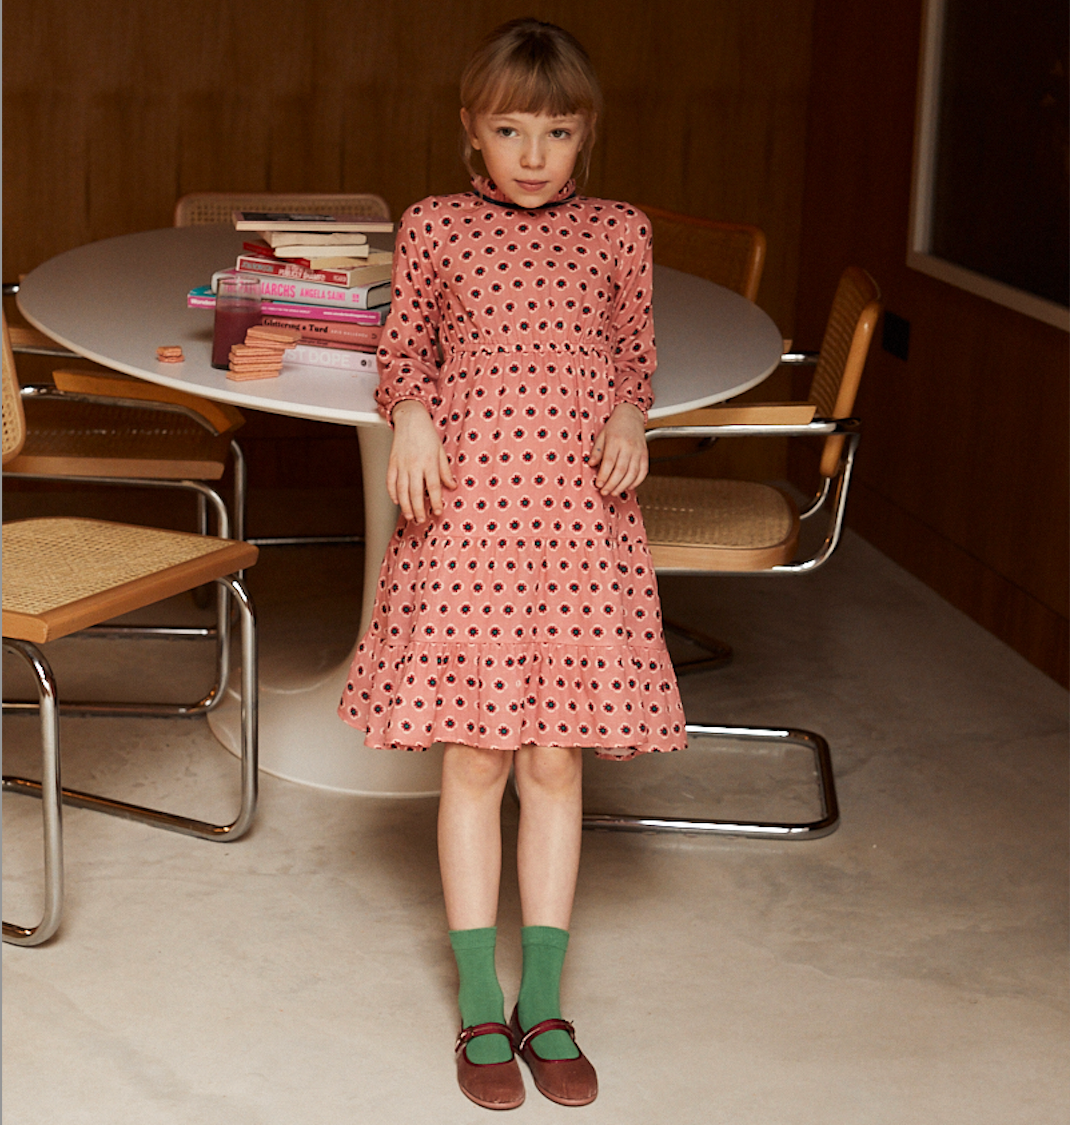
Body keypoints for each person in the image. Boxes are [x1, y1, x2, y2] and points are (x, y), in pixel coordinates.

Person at [339, 16, 686, 1111]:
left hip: (578, 525)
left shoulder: (619, 231)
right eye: (509, 130)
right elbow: (403, 352)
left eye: (558, 131)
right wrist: (413, 415)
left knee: (553, 764)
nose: (533, 155)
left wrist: (629, 412)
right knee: (476, 761)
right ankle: (479, 1003)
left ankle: (544, 998)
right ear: (470, 130)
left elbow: (633, 355)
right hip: (468, 521)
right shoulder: (433, 225)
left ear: (587, 134)